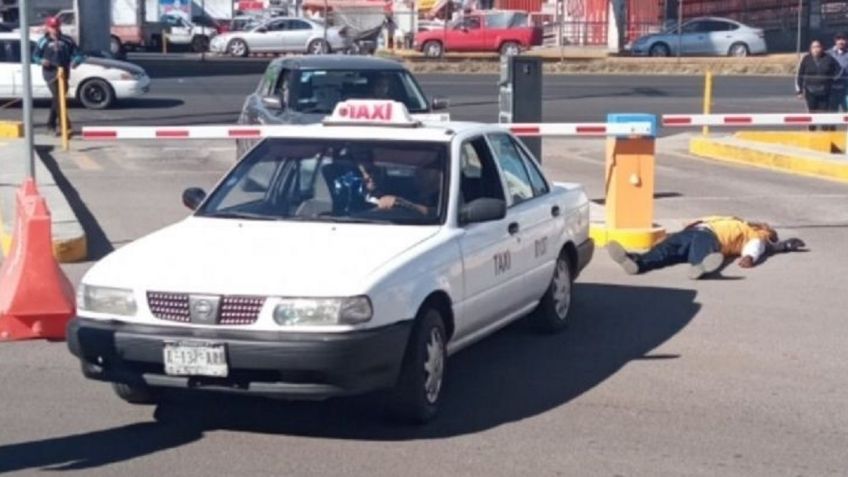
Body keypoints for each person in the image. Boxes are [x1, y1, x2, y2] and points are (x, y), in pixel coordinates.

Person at [608, 216, 806, 280]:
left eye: (769, 231)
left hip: (709, 235)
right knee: (664, 252)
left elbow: (757, 246)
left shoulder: (756, 235)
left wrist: (750, 258)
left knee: (700, 251)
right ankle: (637, 262)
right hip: (692, 230)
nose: (766, 228)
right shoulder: (737, 220)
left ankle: (700, 267)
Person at [32, 16, 84, 136]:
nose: (54, 29)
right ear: (47, 27)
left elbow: (79, 54)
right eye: (52, 27)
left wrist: (76, 61)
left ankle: (50, 124)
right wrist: (41, 61)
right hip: (50, 73)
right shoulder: (43, 41)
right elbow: (35, 57)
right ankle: (66, 126)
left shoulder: (68, 40)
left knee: (58, 99)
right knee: (58, 96)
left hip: (64, 72)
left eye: (56, 27)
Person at [795, 39, 840, 131]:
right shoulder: (806, 59)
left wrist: (833, 82)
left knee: (824, 114)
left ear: (822, 48)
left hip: (825, 92)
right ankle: (812, 132)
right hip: (810, 92)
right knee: (812, 114)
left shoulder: (829, 58)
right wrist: (799, 91)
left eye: (818, 47)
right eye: (813, 47)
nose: (816, 49)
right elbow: (800, 75)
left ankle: (824, 134)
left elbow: (838, 71)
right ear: (810, 49)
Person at [828, 32, 848, 112]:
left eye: (843, 39)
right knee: (832, 113)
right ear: (835, 41)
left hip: (846, 89)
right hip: (832, 89)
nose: (841, 41)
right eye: (839, 39)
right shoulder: (828, 54)